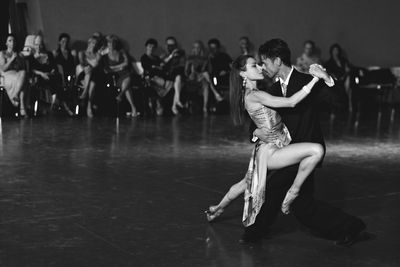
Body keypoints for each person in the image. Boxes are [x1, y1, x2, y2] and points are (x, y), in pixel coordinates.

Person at [206, 55, 324, 223]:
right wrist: (314, 80)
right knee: (316, 150)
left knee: (244, 183)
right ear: (242, 74)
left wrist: (256, 133)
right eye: (254, 66)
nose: (260, 68)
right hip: (271, 149)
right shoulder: (255, 95)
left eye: (260, 65)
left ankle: (217, 209)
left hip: (273, 144)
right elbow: (291, 102)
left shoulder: (252, 94)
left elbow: (260, 121)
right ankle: (293, 192)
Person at [102, 34, 137, 117]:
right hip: (114, 76)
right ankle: (132, 107)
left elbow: (126, 63)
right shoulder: (105, 56)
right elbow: (107, 69)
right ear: (107, 44)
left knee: (127, 78)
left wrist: (115, 67)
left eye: (113, 43)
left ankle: (122, 96)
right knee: (127, 86)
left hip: (124, 74)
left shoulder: (121, 52)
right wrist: (119, 67)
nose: (111, 44)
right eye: (109, 43)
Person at [185, 40, 223, 113]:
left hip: (202, 78)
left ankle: (205, 107)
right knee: (205, 75)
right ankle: (215, 93)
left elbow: (210, 70)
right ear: (193, 48)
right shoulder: (190, 58)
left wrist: (208, 61)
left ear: (201, 48)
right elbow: (186, 71)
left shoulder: (205, 58)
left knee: (205, 81)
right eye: (195, 48)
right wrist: (190, 74)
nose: (197, 49)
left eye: (199, 47)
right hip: (192, 78)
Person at [0, 34, 27, 116]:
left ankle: (16, 95)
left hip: (18, 75)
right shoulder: (2, 53)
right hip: (6, 75)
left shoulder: (19, 54)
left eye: (13, 41)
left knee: (24, 74)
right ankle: (22, 107)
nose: (12, 42)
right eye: (10, 41)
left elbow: (23, 68)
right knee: (24, 83)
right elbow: (3, 68)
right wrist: (12, 59)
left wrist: (19, 58)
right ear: (6, 43)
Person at [325, 43, 352, 112]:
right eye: (334, 50)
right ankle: (349, 103)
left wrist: (346, 72)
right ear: (331, 51)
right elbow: (329, 73)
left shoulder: (343, 61)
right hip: (336, 80)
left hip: (346, 79)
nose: (336, 52)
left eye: (337, 50)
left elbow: (348, 70)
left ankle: (350, 104)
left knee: (349, 79)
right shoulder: (329, 63)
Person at [161, 36, 185, 115]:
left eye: (173, 45)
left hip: (178, 75)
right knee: (178, 79)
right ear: (166, 45)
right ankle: (175, 104)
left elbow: (182, 65)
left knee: (178, 77)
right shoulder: (164, 55)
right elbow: (162, 64)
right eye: (169, 45)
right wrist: (171, 56)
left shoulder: (180, 54)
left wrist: (177, 55)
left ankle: (175, 104)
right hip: (168, 75)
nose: (171, 47)